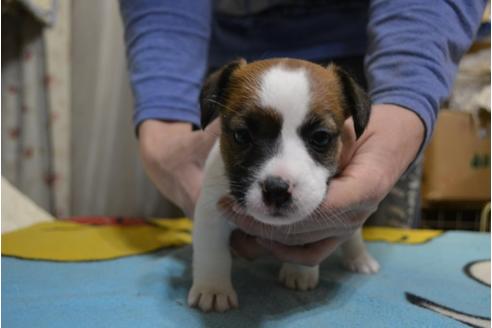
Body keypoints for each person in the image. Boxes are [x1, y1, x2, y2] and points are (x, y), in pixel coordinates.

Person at [119, 0, 486, 266]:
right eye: (245, 136)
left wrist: (407, 96)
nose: (279, 174)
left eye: (320, 139)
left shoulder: (353, 100)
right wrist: (164, 116)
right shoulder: (224, 95)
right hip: (233, 66)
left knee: (350, 212)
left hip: (371, 61)